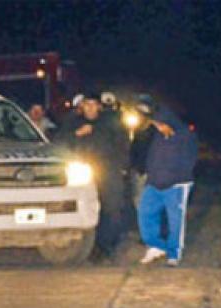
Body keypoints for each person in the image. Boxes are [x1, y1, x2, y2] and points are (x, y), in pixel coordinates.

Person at [57, 92, 129, 259]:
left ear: (99, 106)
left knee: (111, 208)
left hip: (108, 170)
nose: (89, 108)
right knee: (84, 208)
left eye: (93, 104)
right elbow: (59, 143)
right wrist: (76, 135)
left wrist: (122, 167)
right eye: (86, 105)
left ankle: (106, 246)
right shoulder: (72, 123)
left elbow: (122, 145)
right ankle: (88, 246)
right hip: (80, 173)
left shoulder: (110, 123)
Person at [130, 98, 198, 266]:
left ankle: (174, 254)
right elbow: (148, 155)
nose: (157, 127)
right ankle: (156, 246)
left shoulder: (184, 136)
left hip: (176, 184)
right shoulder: (157, 136)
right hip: (154, 183)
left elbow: (190, 160)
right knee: (145, 213)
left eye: (160, 124)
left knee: (175, 220)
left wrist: (177, 177)